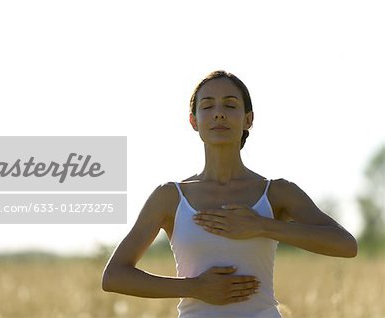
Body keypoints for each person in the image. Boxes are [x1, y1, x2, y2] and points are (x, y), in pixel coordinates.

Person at [102, 70, 357, 317]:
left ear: (248, 120)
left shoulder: (278, 192)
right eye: (208, 106)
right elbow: (114, 276)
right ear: (194, 121)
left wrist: (262, 226)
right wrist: (195, 287)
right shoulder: (169, 197)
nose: (219, 114)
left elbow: (346, 245)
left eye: (230, 105)